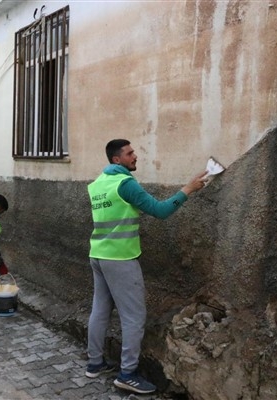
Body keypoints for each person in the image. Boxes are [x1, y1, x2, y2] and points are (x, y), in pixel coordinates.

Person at [85, 139, 208, 394]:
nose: (135, 156)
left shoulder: (97, 184)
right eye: (129, 153)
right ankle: (127, 374)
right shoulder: (125, 183)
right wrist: (188, 188)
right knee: (134, 318)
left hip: (98, 255)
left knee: (100, 310)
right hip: (120, 259)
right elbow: (160, 211)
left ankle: (95, 363)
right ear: (116, 160)